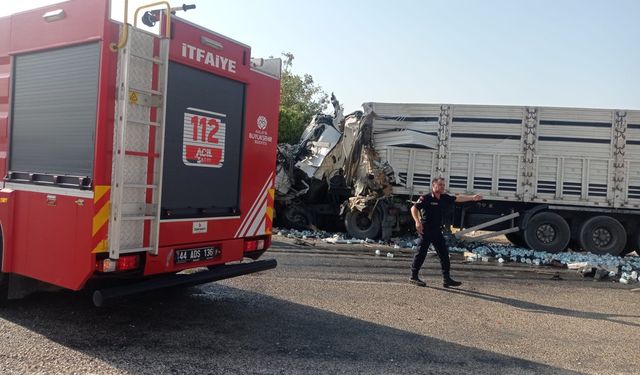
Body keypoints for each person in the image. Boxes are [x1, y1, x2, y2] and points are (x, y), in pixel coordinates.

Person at [410, 177, 482, 287]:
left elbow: (457, 198)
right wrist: (417, 222)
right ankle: (413, 277)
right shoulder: (426, 198)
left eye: (443, 185)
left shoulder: (444, 198)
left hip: (437, 230)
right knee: (421, 253)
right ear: (433, 186)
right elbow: (413, 208)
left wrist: (472, 198)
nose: (442, 187)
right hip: (426, 229)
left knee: (444, 254)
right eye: (440, 185)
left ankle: (446, 279)